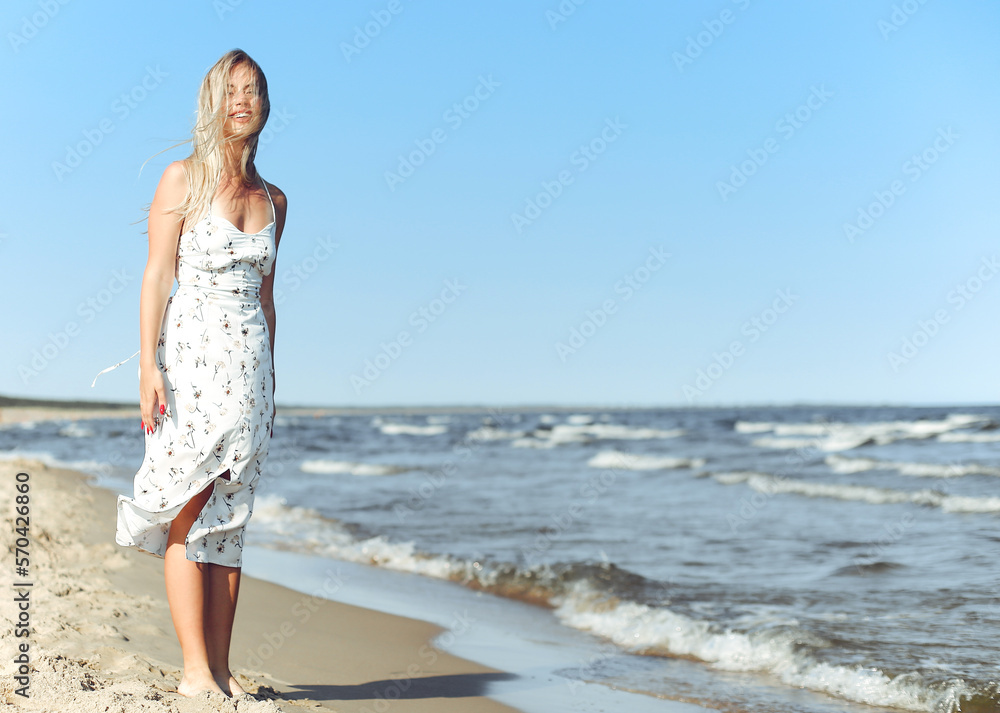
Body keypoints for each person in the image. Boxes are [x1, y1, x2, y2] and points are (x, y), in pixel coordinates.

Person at [99, 48, 287, 698]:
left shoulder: (275, 200)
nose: (244, 99)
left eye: (254, 89)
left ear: (266, 104)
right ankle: (193, 670)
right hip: (189, 366)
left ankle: (223, 668)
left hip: (249, 374)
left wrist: (272, 388)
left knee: (231, 518)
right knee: (189, 503)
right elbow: (156, 274)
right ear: (214, 101)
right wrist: (147, 364)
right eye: (232, 89)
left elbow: (267, 300)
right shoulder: (183, 179)